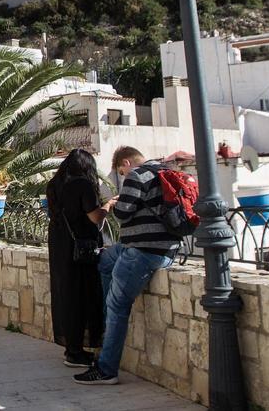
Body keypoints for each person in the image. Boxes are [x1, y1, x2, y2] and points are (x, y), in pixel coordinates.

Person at [75, 146, 180, 386]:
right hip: (165, 250)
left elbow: (122, 214)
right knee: (104, 261)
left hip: (143, 251)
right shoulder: (165, 171)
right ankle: (103, 323)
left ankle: (106, 368)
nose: (122, 176)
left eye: (121, 172)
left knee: (117, 304)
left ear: (125, 163)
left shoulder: (137, 175)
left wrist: (117, 202)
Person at [45, 149, 110, 368]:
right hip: (81, 248)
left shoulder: (54, 185)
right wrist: (109, 206)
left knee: (67, 294)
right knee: (83, 295)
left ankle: (71, 348)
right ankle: (77, 352)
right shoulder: (84, 184)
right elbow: (94, 217)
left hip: (60, 244)